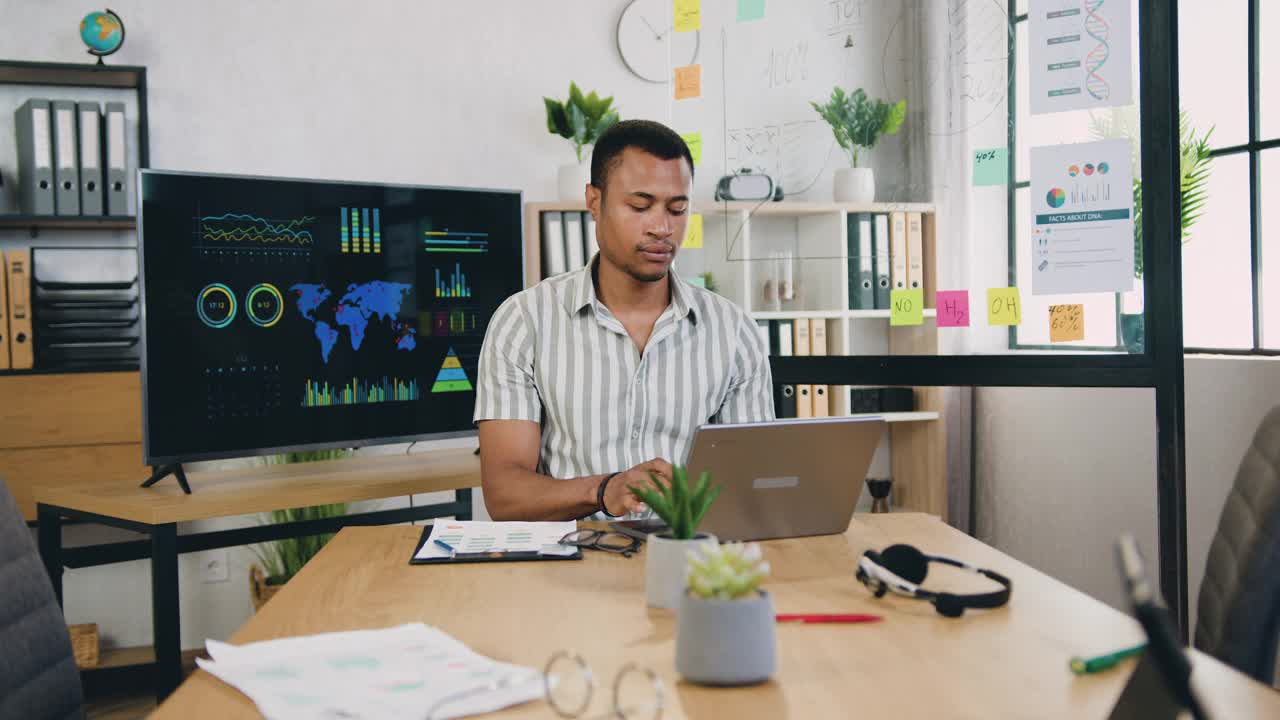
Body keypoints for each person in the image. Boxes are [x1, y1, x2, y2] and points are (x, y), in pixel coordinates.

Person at [473, 119, 774, 521]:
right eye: (639, 206)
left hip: (689, 560)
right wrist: (603, 490)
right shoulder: (523, 322)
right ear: (594, 202)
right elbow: (505, 495)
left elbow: (755, 485)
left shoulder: (734, 332)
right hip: (568, 566)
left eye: (677, 209)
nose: (662, 228)